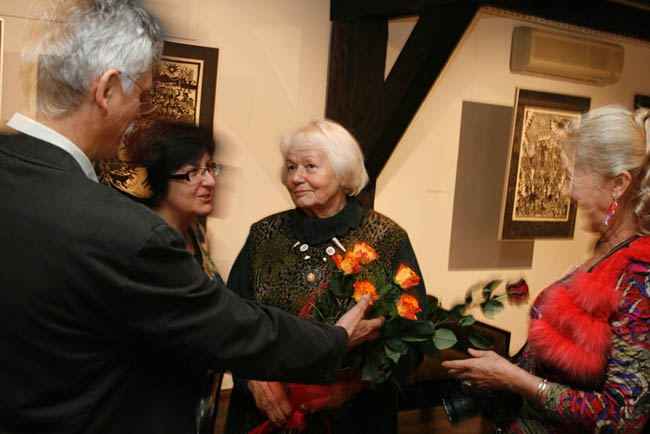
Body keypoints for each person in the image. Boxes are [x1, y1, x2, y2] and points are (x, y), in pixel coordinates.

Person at [0, 1, 382, 433]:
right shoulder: (126, 233)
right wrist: (334, 340)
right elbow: (229, 326)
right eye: (141, 96)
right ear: (107, 90)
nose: (139, 114)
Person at [443, 105, 650, 433]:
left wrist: (514, 379)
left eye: (572, 176)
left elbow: (621, 416)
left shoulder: (638, 277)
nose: (566, 191)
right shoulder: (604, 251)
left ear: (618, 184)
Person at [224, 119, 427, 434]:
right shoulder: (264, 235)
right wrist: (251, 379)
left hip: (354, 420)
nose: (296, 178)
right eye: (291, 167)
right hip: (267, 417)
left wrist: (354, 385)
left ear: (344, 173)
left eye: (310, 166)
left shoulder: (386, 238)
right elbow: (229, 321)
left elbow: (412, 337)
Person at [98, 121, 226, 433]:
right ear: (157, 179)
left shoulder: (196, 234)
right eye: (193, 172)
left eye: (210, 168)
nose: (210, 181)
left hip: (196, 410)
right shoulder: (141, 247)